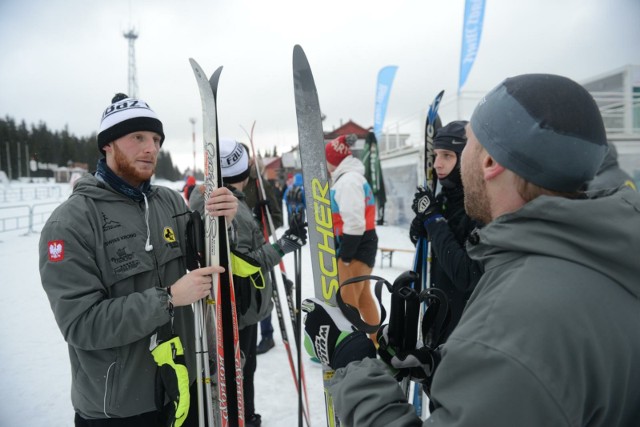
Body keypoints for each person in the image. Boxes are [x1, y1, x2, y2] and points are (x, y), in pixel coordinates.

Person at [303, 74, 640, 426]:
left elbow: (519, 355)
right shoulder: (598, 256)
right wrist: (443, 366)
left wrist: (352, 363)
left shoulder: (518, 318)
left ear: (489, 162)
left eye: (468, 145)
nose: (447, 163)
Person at [39, 93, 239, 427]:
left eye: (156, 139)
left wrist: (222, 222)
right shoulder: (70, 222)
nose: (151, 148)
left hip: (180, 388)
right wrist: (170, 299)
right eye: (138, 137)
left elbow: (203, 256)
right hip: (119, 408)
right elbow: (81, 324)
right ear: (108, 145)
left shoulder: (169, 202)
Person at [192, 138, 307, 427]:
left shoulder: (212, 197)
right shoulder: (230, 206)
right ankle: (243, 417)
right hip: (240, 308)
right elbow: (241, 264)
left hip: (232, 306)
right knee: (241, 370)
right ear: (244, 172)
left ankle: (242, 414)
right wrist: (283, 246)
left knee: (237, 370)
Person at [409, 120, 484, 345]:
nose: (437, 165)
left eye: (447, 156)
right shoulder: (445, 199)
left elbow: (467, 276)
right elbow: (430, 246)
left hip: (467, 329)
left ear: (467, 157)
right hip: (438, 313)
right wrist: (421, 225)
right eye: (436, 156)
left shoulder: (481, 206)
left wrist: (434, 220)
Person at [325, 133, 379, 343]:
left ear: (333, 160)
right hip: (361, 244)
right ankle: (376, 339)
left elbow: (355, 221)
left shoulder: (347, 181)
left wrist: (346, 254)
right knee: (363, 296)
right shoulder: (350, 178)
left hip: (355, 246)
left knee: (348, 301)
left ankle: (349, 344)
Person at [240, 150, 284, 356]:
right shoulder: (225, 183)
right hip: (237, 249)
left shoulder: (260, 185)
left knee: (262, 289)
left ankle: (267, 334)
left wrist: (259, 223)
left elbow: (277, 216)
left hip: (259, 248)